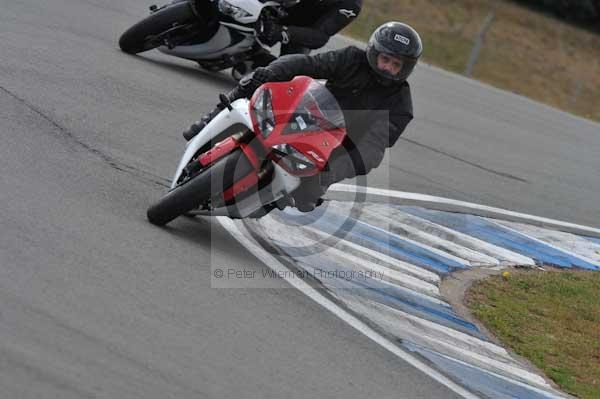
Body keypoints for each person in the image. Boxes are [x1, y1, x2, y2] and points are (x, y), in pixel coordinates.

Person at [184, 21, 422, 212]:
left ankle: (263, 198)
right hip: (308, 114)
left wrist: (331, 172)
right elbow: (307, 63)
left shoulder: (401, 105)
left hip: (333, 149)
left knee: (305, 198)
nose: (388, 67)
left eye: (395, 64)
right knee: (254, 84)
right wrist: (269, 73)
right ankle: (210, 118)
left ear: (406, 68)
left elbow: (372, 150)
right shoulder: (351, 59)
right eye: (385, 59)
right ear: (374, 53)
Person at [253, 0, 362, 63]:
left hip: (302, 31)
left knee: (288, 70)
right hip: (273, 11)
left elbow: (320, 36)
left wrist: (283, 32)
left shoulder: (352, 4)